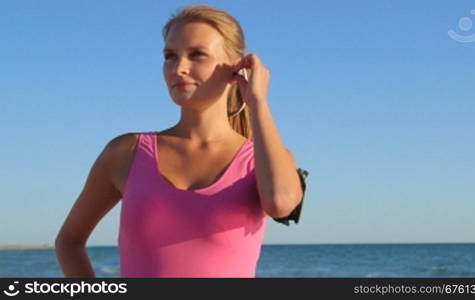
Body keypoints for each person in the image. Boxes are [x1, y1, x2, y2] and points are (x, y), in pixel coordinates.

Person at [55, 4, 304, 278]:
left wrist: (258, 103)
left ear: (238, 66)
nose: (179, 68)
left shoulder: (266, 159)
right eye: (170, 56)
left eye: (197, 55)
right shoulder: (126, 152)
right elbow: (69, 241)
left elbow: (280, 203)